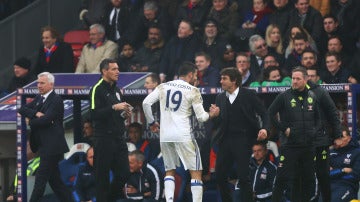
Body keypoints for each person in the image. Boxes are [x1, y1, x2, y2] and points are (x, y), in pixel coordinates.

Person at [142, 62, 220, 202]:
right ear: (190, 75)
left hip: (165, 136)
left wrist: (152, 122)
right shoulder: (192, 90)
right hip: (184, 135)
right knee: (196, 172)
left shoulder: (163, 86)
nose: (196, 79)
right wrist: (212, 114)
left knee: (169, 171)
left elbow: (146, 103)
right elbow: (202, 118)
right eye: (195, 75)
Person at [212, 67, 269, 202]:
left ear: (234, 81)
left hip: (243, 139)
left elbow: (264, 113)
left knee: (243, 178)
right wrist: (215, 116)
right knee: (219, 176)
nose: (221, 81)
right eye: (221, 78)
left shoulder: (248, 94)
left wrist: (264, 129)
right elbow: (218, 123)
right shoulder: (220, 97)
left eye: (224, 78)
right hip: (225, 140)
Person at [18, 72, 72, 202]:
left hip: (52, 147)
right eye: (38, 83)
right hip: (43, 146)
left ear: (51, 84)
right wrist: (36, 113)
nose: (39, 85)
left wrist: (30, 121)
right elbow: (22, 109)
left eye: (42, 83)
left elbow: (46, 120)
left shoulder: (56, 100)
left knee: (40, 179)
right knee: (56, 182)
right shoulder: (39, 98)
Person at [268, 67, 320, 202]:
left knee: (304, 179)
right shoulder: (284, 96)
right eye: (293, 78)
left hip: (308, 146)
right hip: (290, 145)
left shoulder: (312, 96)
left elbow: (319, 119)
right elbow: (270, 113)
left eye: (298, 79)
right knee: (281, 178)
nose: (294, 81)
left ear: (306, 79)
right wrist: (284, 128)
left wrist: (313, 132)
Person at [89, 58, 132, 201]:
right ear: (104, 71)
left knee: (124, 173)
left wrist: (124, 114)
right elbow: (93, 114)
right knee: (102, 178)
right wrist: (114, 107)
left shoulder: (117, 90)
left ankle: (108, 199)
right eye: (114, 69)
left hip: (119, 138)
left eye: (118, 69)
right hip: (103, 139)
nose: (117, 72)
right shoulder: (97, 89)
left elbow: (117, 115)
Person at [306, 70, 342, 202]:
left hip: (321, 140)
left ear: (318, 77)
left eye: (312, 76)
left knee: (323, 176)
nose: (309, 78)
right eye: (307, 76)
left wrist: (337, 135)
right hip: (303, 143)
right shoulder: (293, 94)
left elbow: (333, 113)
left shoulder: (320, 92)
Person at [330, 125, 360, 201]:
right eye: (337, 137)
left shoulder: (357, 153)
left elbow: (355, 175)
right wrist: (342, 170)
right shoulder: (329, 152)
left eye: (342, 137)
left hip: (347, 186)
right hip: (328, 184)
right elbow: (324, 173)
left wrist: (334, 173)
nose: (339, 140)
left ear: (349, 138)